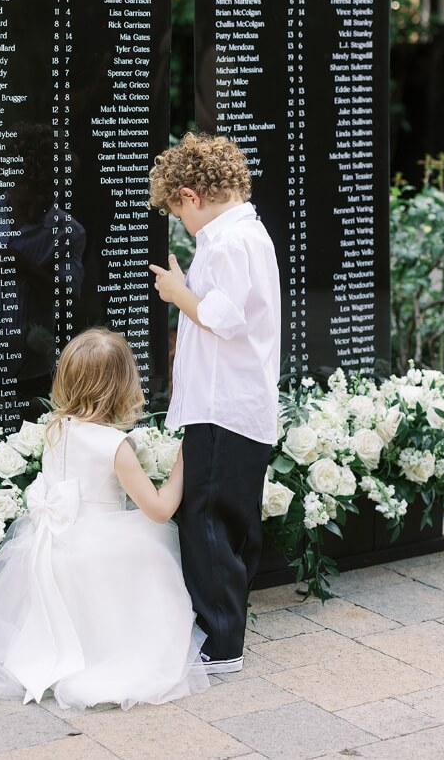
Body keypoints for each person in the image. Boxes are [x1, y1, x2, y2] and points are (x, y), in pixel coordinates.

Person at [0, 327, 209, 709]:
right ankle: (111, 653)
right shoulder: (115, 446)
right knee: (152, 572)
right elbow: (158, 509)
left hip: (55, 546)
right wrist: (183, 463)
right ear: (124, 385)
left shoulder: (56, 428)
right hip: (100, 554)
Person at [148, 131, 281, 675]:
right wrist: (188, 285)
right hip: (238, 406)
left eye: (176, 211)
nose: (180, 221)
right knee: (231, 519)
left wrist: (179, 295)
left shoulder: (228, 243)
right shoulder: (244, 234)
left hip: (223, 407)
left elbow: (224, 317)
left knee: (207, 520)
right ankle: (226, 630)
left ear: (190, 195)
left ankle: (221, 644)